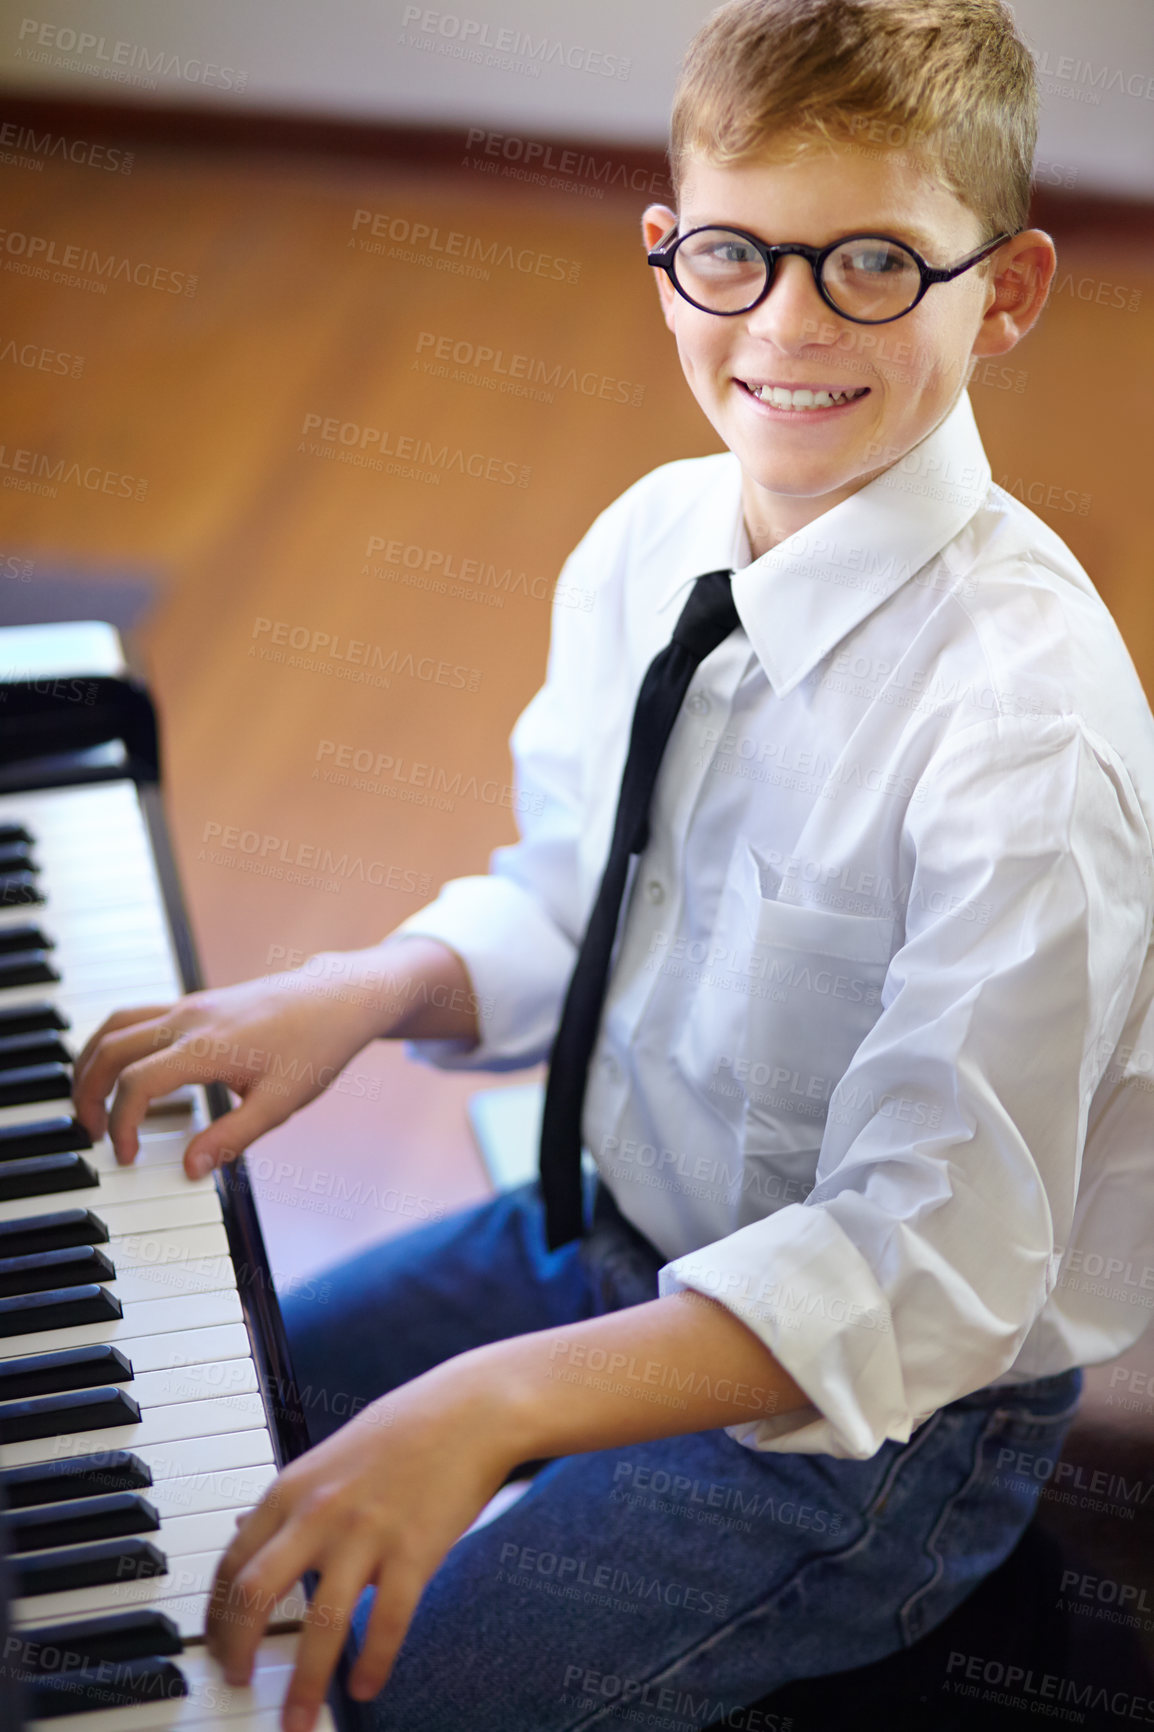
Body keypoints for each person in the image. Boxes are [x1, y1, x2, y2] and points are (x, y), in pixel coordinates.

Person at [73, 2, 1154, 1729]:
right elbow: (578, 894)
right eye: (734, 253)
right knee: (173, 1399)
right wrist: (364, 989)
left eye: (875, 261)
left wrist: (496, 1401)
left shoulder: (1026, 735)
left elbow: (927, 1267)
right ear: (666, 259)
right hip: (592, 1234)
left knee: (385, 1701)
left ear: (1005, 292)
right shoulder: (653, 536)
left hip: (864, 1431)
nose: (786, 325)